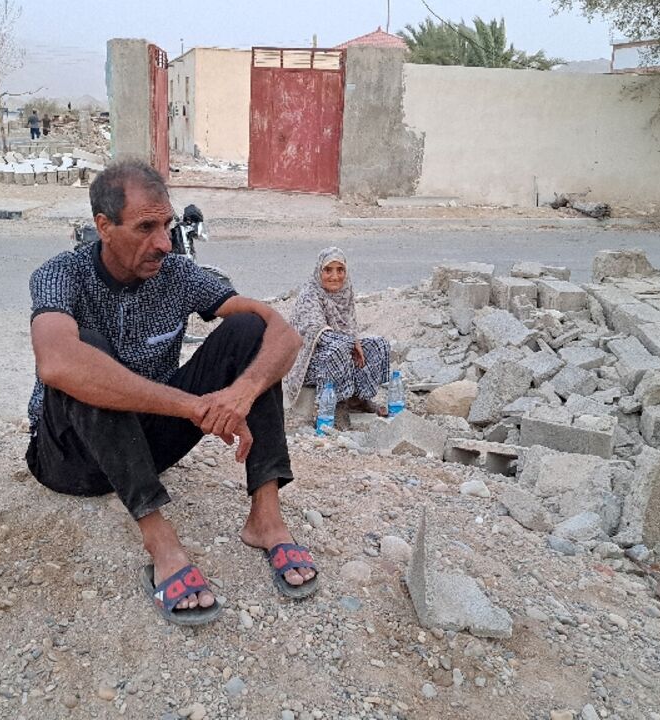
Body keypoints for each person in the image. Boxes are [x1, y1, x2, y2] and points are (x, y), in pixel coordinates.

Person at [25, 159, 318, 625]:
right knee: (85, 353)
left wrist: (240, 394)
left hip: (144, 446)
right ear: (104, 226)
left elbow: (282, 332)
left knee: (248, 330)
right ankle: (160, 541)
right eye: (145, 227)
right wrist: (194, 405)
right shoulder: (62, 275)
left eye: (167, 225)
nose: (163, 243)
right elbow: (57, 362)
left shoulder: (175, 274)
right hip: (70, 459)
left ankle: (266, 518)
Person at [283, 248, 391, 417]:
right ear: (319, 271)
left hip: (342, 349)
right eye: (328, 270)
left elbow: (351, 326)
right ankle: (333, 405)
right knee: (339, 347)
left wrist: (353, 340)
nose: (335, 276)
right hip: (309, 362)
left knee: (377, 344)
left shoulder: (345, 291)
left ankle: (359, 400)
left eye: (340, 270)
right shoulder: (310, 294)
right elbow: (316, 331)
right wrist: (351, 342)